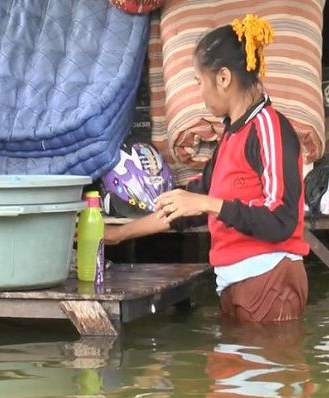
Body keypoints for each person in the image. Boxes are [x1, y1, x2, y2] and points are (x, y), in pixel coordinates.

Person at [104, 14, 309, 322]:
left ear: (223, 78)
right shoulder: (232, 133)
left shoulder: (268, 128)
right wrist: (116, 235)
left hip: (270, 282)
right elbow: (191, 206)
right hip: (237, 284)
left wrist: (207, 203)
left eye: (199, 82)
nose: (199, 93)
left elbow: (281, 219)